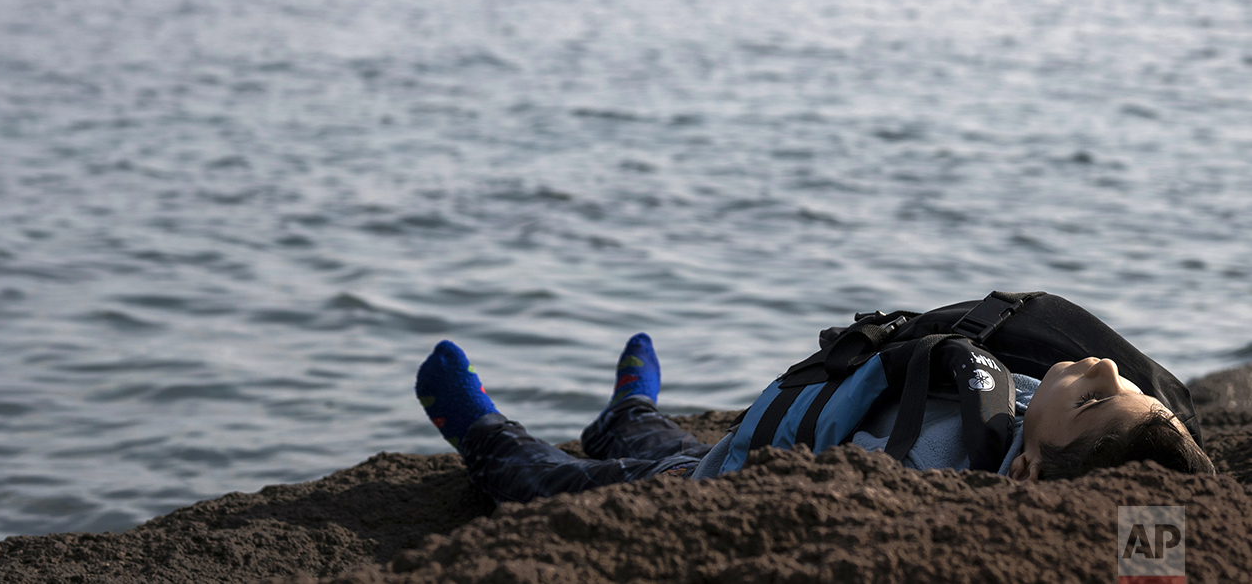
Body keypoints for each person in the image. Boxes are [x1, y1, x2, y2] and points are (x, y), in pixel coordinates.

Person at [416, 323, 1213, 506]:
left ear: (1035, 469)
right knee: (657, 438)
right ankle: (628, 405)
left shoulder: (938, 479)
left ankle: (479, 428)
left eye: (1097, 398)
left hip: (703, 484)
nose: (1106, 367)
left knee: (548, 480)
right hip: (721, 449)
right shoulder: (1019, 416)